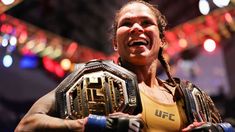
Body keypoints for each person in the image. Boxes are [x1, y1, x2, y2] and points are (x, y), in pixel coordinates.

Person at [15, 0, 233, 132]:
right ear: (115, 44)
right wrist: (86, 125)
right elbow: (27, 126)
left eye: (146, 22)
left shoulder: (192, 99)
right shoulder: (91, 81)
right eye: (126, 24)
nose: (136, 28)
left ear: (162, 40)